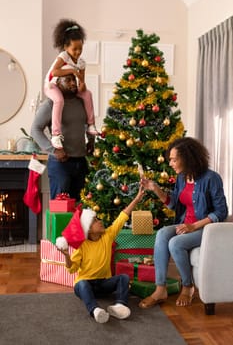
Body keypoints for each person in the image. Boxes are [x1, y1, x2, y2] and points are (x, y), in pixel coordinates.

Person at [139, 137, 228, 308]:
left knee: (175, 243)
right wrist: (155, 188)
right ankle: (160, 288)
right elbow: (175, 204)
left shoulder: (211, 178)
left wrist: (193, 226)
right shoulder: (181, 178)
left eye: (173, 159)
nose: (170, 163)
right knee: (162, 234)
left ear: (187, 158)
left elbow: (221, 212)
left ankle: (187, 286)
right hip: (185, 224)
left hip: (205, 228)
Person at [58, 185, 145, 323]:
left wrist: (137, 198)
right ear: (89, 230)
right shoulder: (83, 246)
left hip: (103, 284)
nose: (100, 222)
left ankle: (120, 306)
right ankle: (95, 310)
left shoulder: (107, 236)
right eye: (95, 221)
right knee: (81, 284)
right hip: (87, 285)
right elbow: (71, 269)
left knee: (123, 278)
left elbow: (123, 216)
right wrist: (66, 255)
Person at [31, 73, 95, 202]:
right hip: (60, 164)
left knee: (80, 209)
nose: (73, 83)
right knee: (61, 210)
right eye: (68, 80)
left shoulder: (82, 102)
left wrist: (91, 141)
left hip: (81, 162)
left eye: (74, 80)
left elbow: (88, 123)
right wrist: (53, 150)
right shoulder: (50, 104)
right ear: (58, 83)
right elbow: (35, 130)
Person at [44, 18, 98, 149]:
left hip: (67, 87)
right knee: (59, 100)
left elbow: (81, 82)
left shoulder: (81, 62)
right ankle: (56, 134)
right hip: (52, 85)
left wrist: (82, 85)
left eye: (80, 48)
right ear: (65, 47)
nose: (78, 52)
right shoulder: (63, 57)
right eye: (74, 49)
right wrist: (72, 70)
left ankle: (91, 125)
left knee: (88, 94)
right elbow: (55, 72)